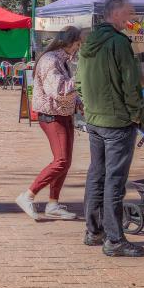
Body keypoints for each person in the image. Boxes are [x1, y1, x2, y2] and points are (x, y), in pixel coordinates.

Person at [76, 0, 144, 257]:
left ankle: (93, 231)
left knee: (96, 175)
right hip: (117, 121)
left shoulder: (88, 44)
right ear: (115, 15)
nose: (134, 18)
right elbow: (131, 85)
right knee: (114, 181)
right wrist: (138, 114)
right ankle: (114, 239)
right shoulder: (119, 43)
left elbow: (79, 83)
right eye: (130, 13)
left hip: (95, 120)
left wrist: (91, 107)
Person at [16, 27, 84, 221]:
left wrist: (78, 103)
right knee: (61, 160)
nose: (78, 49)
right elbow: (59, 90)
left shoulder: (62, 60)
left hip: (63, 114)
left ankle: (53, 203)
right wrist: (82, 78)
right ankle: (28, 195)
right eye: (78, 44)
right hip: (52, 115)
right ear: (69, 42)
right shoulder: (51, 61)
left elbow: (67, 92)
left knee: (64, 162)